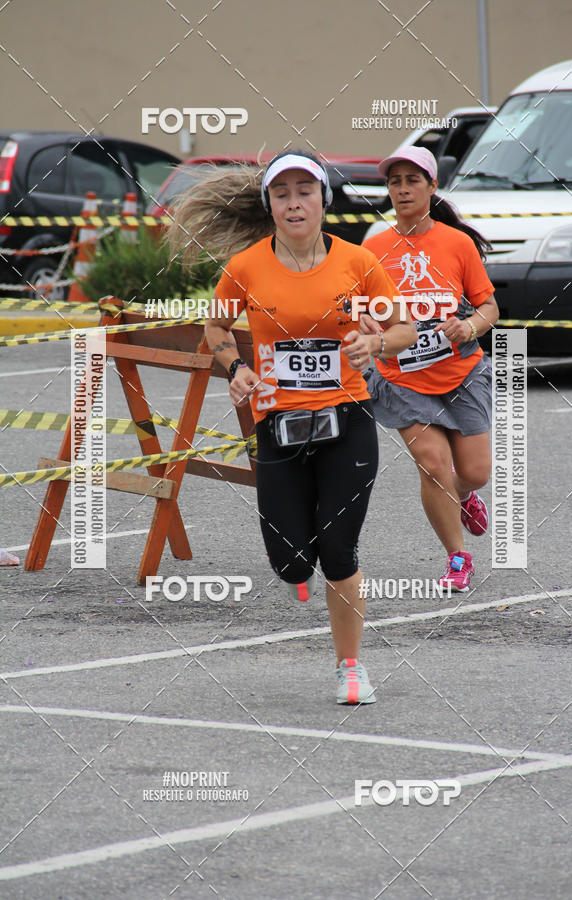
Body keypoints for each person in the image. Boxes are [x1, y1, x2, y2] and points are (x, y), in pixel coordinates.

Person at [169, 150, 416, 704]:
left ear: (323, 200)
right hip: (278, 422)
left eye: (305, 191)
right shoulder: (247, 267)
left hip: (347, 418)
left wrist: (373, 342)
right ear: (271, 206)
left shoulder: (358, 263)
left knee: (338, 551)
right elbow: (216, 327)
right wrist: (236, 369)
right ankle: (300, 567)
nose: (294, 203)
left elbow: (404, 329)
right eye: (282, 194)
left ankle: (350, 667)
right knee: (290, 562)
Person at [362, 146, 499, 592]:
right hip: (402, 377)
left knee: (474, 472)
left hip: (461, 372)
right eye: (394, 182)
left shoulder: (456, 243)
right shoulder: (374, 246)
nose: (401, 189)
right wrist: (364, 323)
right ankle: (458, 557)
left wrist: (469, 326)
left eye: (412, 181)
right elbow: (357, 306)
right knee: (433, 462)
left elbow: (489, 306)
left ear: (431, 186)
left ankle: (464, 495)